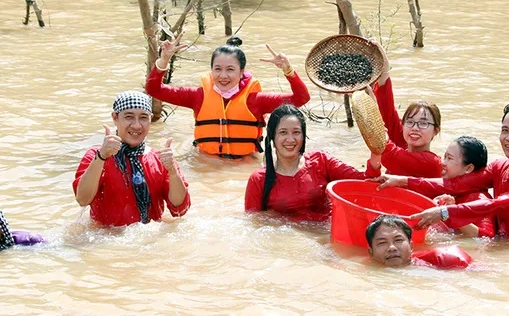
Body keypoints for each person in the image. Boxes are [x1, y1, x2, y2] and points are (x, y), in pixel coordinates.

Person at [373, 100, 509, 238]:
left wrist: (444, 212)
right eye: (505, 130)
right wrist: (402, 181)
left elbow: (494, 204)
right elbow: (455, 184)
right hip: (502, 243)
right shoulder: (499, 167)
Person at [145, 35, 310, 158]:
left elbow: (301, 98)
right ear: (211, 70)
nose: (223, 76)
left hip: (244, 165)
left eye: (230, 69)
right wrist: (164, 60)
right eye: (217, 69)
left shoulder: (256, 100)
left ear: (241, 72)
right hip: (204, 163)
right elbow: (154, 89)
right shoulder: (198, 96)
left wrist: (288, 71)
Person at [73, 91, 190, 227]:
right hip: (105, 240)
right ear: (115, 118)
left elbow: (180, 210)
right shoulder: (96, 155)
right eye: (129, 117)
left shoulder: (161, 159)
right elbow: (82, 199)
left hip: (148, 238)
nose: (136, 125)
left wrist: (173, 172)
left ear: (150, 119)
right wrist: (101, 157)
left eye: (143, 118)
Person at [244, 104, 381, 221]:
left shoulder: (321, 161)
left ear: (303, 135)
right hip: (290, 246)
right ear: (273, 137)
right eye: (283, 132)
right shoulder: (258, 180)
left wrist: (376, 151)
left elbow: (364, 183)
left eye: (296, 132)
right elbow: (255, 223)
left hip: (327, 238)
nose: (290, 139)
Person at [366, 43, 442, 178]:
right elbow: (387, 112)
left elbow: (387, 153)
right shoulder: (403, 143)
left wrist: (370, 110)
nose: (415, 128)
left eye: (423, 123)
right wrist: (384, 72)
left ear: (435, 131)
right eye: (410, 122)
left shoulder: (432, 163)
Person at [433, 136, 495, 238]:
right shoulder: (447, 194)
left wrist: (452, 213)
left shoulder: (480, 199)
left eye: (449, 158)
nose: (443, 163)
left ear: (468, 168)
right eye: (444, 157)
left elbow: (486, 238)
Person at [366, 215, 472, 269]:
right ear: (371, 253)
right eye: (382, 243)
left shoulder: (445, 260)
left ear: (411, 246)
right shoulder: (364, 271)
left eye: (398, 240)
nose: (392, 247)